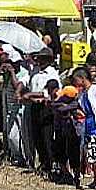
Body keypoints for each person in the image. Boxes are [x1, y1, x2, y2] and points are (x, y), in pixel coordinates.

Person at [23, 47, 61, 176]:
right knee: (36, 135)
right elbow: (30, 86)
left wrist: (30, 95)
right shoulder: (35, 72)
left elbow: (48, 91)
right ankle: (43, 162)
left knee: (46, 136)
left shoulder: (52, 73)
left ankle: (50, 164)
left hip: (46, 107)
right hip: (34, 106)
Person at [48, 85, 82, 188]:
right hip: (61, 131)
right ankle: (66, 174)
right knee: (60, 153)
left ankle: (76, 176)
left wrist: (64, 107)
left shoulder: (76, 104)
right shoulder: (62, 103)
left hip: (72, 132)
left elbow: (63, 108)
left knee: (73, 155)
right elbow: (53, 105)